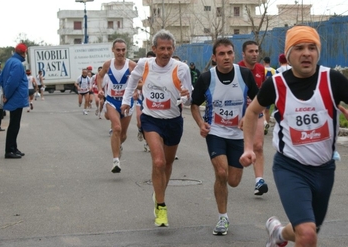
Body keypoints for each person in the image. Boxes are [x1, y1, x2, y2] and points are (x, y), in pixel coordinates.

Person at [239, 25, 348, 247]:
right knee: (308, 233)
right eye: (299, 48)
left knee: (307, 230)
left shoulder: (332, 79)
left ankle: (279, 234)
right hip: (290, 167)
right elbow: (252, 112)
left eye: (312, 48)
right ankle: (284, 233)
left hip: (324, 169)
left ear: (317, 53)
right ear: (289, 55)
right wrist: (247, 148)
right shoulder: (276, 84)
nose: (306, 53)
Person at [121, 29, 192, 227]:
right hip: (151, 119)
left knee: (168, 163)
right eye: (162, 48)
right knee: (158, 161)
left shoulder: (181, 68)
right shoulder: (144, 65)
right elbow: (131, 83)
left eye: (169, 48)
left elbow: (188, 98)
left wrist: (185, 97)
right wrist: (126, 101)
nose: (166, 52)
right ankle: (161, 206)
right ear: (153, 49)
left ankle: (158, 193)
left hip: (173, 121)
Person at [191, 38, 258, 236]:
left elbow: (259, 100)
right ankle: (223, 217)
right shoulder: (206, 78)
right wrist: (201, 124)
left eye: (229, 53)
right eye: (221, 54)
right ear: (214, 57)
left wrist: (248, 116)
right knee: (221, 174)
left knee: (234, 181)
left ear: (234, 55)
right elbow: (194, 105)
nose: (226, 57)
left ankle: (224, 206)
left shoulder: (245, 74)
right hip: (216, 132)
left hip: (238, 134)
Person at [97, 38, 136, 173]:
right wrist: (100, 89)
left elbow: (141, 80)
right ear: (113, 50)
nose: (121, 52)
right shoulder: (108, 65)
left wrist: (136, 89)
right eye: (118, 50)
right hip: (112, 101)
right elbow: (99, 76)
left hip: (127, 102)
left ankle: (118, 146)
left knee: (123, 135)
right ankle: (115, 161)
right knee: (117, 128)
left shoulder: (131, 65)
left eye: (123, 50)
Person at [237, 40, 268, 196]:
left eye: (256, 51)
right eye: (251, 51)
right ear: (243, 53)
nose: (255, 54)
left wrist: (265, 114)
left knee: (258, 145)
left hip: (256, 112)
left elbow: (262, 93)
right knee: (236, 146)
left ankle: (259, 180)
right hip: (238, 113)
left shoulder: (261, 69)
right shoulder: (237, 69)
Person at [0, 43, 29, 159]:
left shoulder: (9, 61)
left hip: (13, 97)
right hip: (16, 98)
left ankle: (14, 148)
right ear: (23, 52)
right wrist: (7, 95)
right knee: (14, 125)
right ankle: (10, 150)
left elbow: (1, 79)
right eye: (25, 52)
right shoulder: (18, 64)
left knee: (14, 124)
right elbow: (12, 82)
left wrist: (5, 92)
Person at [263, 56, 276, 135]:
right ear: (270, 62)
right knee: (267, 111)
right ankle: (265, 126)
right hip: (272, 93)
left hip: (263, 93)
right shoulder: (274, 71)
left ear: (264, 62)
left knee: (261, 111)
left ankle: (263, 124)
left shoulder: (261, 69)